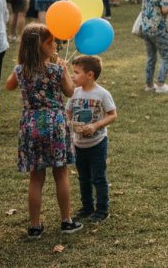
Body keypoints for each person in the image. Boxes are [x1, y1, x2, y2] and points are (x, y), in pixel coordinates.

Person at [6, 23, 83, 239]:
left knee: (36, 177)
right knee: (61, 173)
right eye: (52, 41)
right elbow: (69, 91)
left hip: (31, 123)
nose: (56, 44)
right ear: (42, 46)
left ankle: (35, 225)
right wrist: (64, 71)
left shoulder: (20, 70)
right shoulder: (57, 69)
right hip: (55, 123)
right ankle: (66, 220)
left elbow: (9, 86)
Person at [66, 55, 116, 224]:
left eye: (76, 72)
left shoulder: (102, 94)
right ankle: (87, 207)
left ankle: (102, 209)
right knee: (83, 177)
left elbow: (112, 114)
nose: (73, 76)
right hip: (78, 144)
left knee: (98, 177)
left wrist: (95, 126)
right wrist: (71, 124)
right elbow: (68, 113)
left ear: (90, 75)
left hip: (97, 143)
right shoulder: (74, 93)